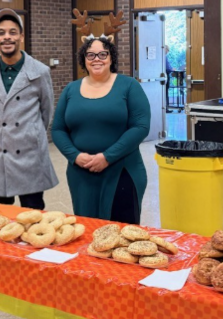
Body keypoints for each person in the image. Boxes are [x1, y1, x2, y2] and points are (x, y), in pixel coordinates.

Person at [52, 36, 150, 223]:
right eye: (91, 55)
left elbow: (140, 127)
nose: (96, 59)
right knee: (87, 233)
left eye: (102, 54)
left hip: (122, 172)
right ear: (84, 59)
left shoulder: (129, 86)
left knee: (121, 238)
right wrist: (74, 156)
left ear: (111, 57)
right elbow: (58, 129)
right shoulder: (71, 90)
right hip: (81, 174)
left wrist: (107, 157)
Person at [0, 9, 59, 210]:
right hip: (0, 155)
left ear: (21, 37)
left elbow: (46, 113)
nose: (7, 37)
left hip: (30, 155)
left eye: (13, 32)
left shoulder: (39, 72)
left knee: (32, 218)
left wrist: (30, 133)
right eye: (2, 32)